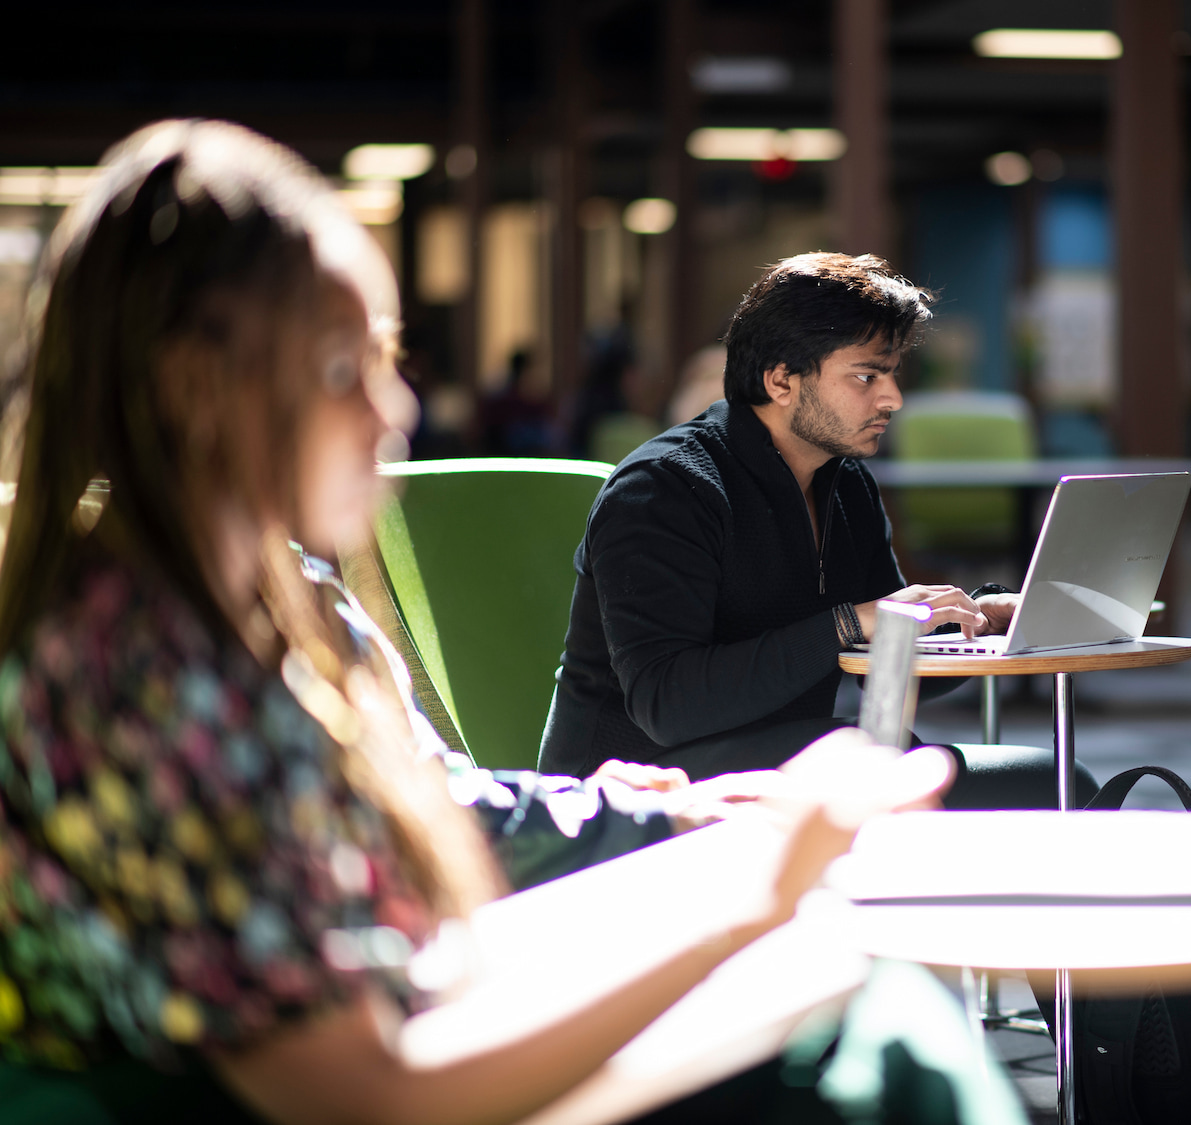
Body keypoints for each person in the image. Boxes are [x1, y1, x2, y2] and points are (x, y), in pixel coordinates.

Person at [0, 120, 959, 1125]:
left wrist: (661, 819)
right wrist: (750, 894)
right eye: (344, 371)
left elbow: (437, 811)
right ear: (198, 388)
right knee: (863, 1037)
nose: (396, 411)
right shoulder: (146, 673)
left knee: (856, 1006)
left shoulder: (259, 603)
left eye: (387, 361)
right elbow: (369, 1098)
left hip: (423, 994)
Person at [538, 252, 1085, 805]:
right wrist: (850, 623)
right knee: (872, 757)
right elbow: (669, 705)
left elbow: (886, 673)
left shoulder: (845, 483)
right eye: (866, 376)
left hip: (780, 762)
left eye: (892, 375)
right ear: (781, 380)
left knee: (1063, 783)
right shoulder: (665, 487)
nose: (892, 398)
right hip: (629, 789)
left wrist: (980, 616)